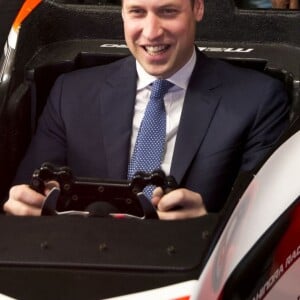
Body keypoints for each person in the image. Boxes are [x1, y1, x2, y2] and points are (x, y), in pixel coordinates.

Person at [3, 0, 289, 219]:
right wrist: (29, 204)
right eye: (137, 12)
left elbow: (265, 220)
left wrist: (208, 222)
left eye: (168, 11)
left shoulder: (258, 99)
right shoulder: (71, 93)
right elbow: (27, 195)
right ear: (123, 14)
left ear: (198, 8)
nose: (152, 32)